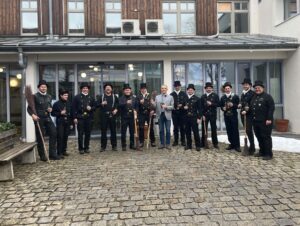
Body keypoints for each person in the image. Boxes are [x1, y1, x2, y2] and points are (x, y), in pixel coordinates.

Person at [27, 80, 59, 161]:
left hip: (47, 117)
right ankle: (42, 155)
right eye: (42, 87)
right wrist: (33, 115)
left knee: (54, 132)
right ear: (39, 88)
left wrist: (50, 109)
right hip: (38, 119)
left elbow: (50, 106)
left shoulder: (49, 96)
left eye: (45, 87)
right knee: (40, 137)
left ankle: (52, 153)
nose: (44, 88)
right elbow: (29, 108)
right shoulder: (34, 96)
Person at [250, 80, 275, 160]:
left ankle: (268, 154)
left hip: (265, 121)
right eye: (256, 88)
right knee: (259, 137)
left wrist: (269, 118)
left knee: (266, 137)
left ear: (262, 88)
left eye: (259, 88)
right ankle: (262, 151)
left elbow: (271, 108)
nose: (257, 89)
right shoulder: (254, 96)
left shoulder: (267, 96)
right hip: (256, 121)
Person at [72, 83, 96, 154]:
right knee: (80, 133)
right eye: (84, 88)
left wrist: (91, 108)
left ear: (88, 89)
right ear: (81, 89)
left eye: (86, 88)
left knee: (88, 133)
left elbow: (95, 106)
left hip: (89, 117)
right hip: (80, 117)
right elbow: (73, 108)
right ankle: (80, 148)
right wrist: (74, 117)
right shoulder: (77, 97)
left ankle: (86, 147)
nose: (85, 89)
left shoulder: (91, 97)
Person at [220, 82, 241, 152]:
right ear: (224, 89)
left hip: (233, 116)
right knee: (229, 131)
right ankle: (231, 144)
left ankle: (237, 146)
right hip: (226, 116)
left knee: (235, 130)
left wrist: (233, 105)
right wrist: (223, 108)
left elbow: (239, 106)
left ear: (231, 88)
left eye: (228, 88)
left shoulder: (235, 96)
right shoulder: (223, 97)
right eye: (226, 88)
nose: (227, 90)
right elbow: (221, 106)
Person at [52, 89, 72, 158]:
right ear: (61, 96)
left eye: (67, 95)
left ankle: (64, 151)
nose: (66, 96)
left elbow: (71, 113)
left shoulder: (69, 103)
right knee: (60, 137)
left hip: (67, 122)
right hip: (60, 123)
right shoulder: (56, 104)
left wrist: (71, 123)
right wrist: (60, 113)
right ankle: (59, 152)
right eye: (65, 95)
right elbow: (53, 113)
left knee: (65, 137)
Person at [99, 83, 119, 151]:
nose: (108, 88)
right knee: (103, 131)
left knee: (113, 131)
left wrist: (116, 109)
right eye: (106, 87)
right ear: (104, 89)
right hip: (103, 116)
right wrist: (101, 104)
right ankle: (103, 146)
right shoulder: (101, 97)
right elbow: (96, 105)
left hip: (112, 115)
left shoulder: (114, 96)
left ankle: (114, 146)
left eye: (109, 87)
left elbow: (117, 104)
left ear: (111, 89)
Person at [153, 85, 174, 149]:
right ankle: (162, 144)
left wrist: (166, 107)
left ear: (167, 89)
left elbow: (172, 107)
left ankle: (168, 144)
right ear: (161, 89)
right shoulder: (157, 97)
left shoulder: (170, 97)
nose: (163, 89)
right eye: (162, 88)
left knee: (168, 130)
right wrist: (153, 103)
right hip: (160, 115)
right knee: (161, 130)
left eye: (165, 88)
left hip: (167, 115)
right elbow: (155, 106)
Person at [200, 82, 219, 149]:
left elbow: (218, 104)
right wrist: (202, 115)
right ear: (205, 89)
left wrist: (211, 104)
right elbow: (201, 107)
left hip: (213, 115)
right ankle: (203, 143)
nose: (208, 89)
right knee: (204, 129)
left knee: (214, 129)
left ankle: (215, 143)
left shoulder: (215, 96)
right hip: (205, 115)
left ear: (212, 89)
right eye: (207, 88)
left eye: (210, 88)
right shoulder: (203, 96)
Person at [136, 83, 156, 147]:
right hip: (141, 114)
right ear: (140, 89)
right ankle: (141, 141)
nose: (143, 90)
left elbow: (154, 105)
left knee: (151, 127)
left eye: (144, 89)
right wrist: (139, 102)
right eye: (142, 89)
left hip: (149, 113)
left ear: (146, 89)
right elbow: (136, 106)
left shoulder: (150, 96)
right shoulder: (138, 96)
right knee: (141, 127)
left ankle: (152, 141)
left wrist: (153, 110)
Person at [239, 78, 255, 155]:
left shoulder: (252, 93)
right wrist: (240, 104)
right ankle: (250, 146)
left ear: (250, 85)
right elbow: (243, 102)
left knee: (249, 130)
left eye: (246, 84)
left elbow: (252, 104)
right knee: (246, 130)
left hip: (249, 115)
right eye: (244, 84)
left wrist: (247, 111)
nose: (245, 86)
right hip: (243, 114)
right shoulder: (243, 93)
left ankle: (252, 147)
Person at [184, 84, 202, 151]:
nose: (190, 91)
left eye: (191, 90)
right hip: (186, 118)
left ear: (194, 91)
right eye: (189, 90)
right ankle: (189, 145)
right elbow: (182, 108)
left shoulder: (197, 99)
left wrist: (199, 118)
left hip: (194, 117)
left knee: (195, 132)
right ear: (187, 91)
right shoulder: (185, 98)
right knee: (187, 132)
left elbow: (200, 109)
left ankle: (198, 145)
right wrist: (184, 108)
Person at [119, 84, 136, 151]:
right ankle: (123, 145)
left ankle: (132, 145)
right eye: (126, 90)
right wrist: (126, 103)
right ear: (124, 91)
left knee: (132, 132)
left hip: (132, 117)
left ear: (130, 90)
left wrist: (135, 111)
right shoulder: (121, 98)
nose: (127, 91)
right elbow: (120, 106)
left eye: (128, 90)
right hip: (124, 117)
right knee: (123, 132)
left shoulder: (134, 98)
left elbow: (136, 106)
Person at [170, 81, 187, 146]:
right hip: (174, 113)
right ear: (174, 87)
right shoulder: (171, 94)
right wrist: (175, 106)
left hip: (182, 113)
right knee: (175, 128)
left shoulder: (184, 94)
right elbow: (170, 103)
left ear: (180, 86)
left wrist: (182, 105)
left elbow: (186, 102)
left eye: (178, 86)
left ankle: (183, 141)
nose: (177, 87)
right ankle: (176, 141)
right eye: (176, 86)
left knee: (182, 127)